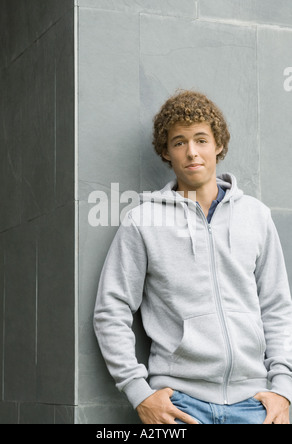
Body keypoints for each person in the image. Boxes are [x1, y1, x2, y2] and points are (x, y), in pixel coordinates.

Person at [94, 90, 292, 424]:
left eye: (201, 139)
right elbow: (110, 310)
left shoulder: (255, 215)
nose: (192, 152)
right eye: (179, 142)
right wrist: (138, 392)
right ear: (166, 152)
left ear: (218, 145)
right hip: (178, 405)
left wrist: (283, 389)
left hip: (255, 405)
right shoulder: (143, 220)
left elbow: (277, 308)